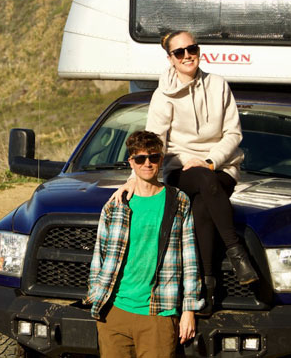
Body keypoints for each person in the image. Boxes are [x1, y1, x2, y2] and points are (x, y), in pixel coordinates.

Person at [112, 30, 257, 313]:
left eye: (192, 48)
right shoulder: (162, 95)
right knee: (201, 180)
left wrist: (211, 160)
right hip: (182, 170)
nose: (187, 55)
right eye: (179, 52)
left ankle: (207, 286)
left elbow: (232, 133)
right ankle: (235, 250)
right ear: (170, 59)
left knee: (202, 207)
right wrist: (134, 177)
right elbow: (154, 140)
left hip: (221, 167)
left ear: (198, 50)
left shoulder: (218, 85)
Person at [86, 130, 203, 358]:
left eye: (153, 157)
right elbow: (98, 257)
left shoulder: (178, 201)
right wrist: (95, 295)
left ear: (161, 159)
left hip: (158, 314)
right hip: (114, 313)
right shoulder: (116, 204)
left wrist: (189, 310)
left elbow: (189, 261)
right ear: (131, 162)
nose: (147, 163)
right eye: (140, 158)